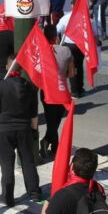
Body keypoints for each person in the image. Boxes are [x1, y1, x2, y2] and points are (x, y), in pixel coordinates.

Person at [0, 56, 42, 205]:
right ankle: (35, 192)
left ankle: (8, 196)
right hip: (24, 129)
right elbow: (33, 113)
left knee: (7, 165)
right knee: (28, 161)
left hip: (4, 130)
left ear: (7, 67)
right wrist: (34, 131)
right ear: (22, 69)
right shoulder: (29, 87)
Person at [40, 24, 74, 160]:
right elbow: (71, 73)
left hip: (46, 90)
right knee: (55, 121)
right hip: (61, 89)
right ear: (56, 37)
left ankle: (53, 144)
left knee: (50, 121)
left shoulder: (41, 51)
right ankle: (50, 143)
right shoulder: (66, 51)